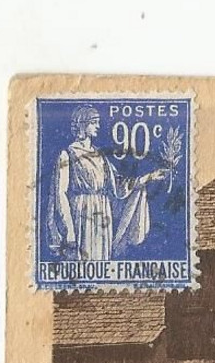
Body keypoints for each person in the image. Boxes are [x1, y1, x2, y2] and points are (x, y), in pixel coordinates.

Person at [48, 105, 169, 261]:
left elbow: (117, 186)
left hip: (102, 213)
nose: (98, 126)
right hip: (81, 213)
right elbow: (60, 194)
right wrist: (68, 229)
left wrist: (149, 177)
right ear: (83, 124)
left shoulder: (100, 155)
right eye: (94, 122)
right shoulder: (68, 154)